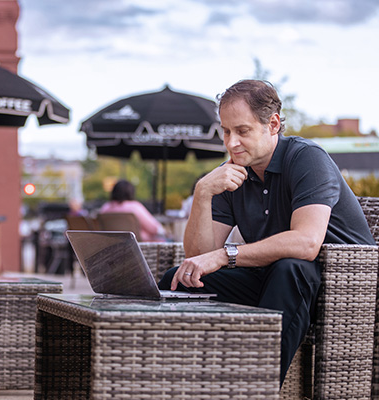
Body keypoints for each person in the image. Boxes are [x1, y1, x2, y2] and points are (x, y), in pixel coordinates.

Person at [158, 79, 375, 385]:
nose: (232, 143)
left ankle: (254, 387)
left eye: (242, 131)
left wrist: (225, 255)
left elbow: (306, 243)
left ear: (273, 124)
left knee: (291, 268)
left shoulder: (307, 158)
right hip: (275, 277)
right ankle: (187, 382)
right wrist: (203, 192)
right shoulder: (232, 172)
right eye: (226, 131)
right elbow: (198, 256)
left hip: (340, 287)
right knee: (179, 280)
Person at [99, 179, 166, 242]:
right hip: (139, 245)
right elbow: (153, 228)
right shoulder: (134, 207)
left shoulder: (106, 207)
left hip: (113, 245)